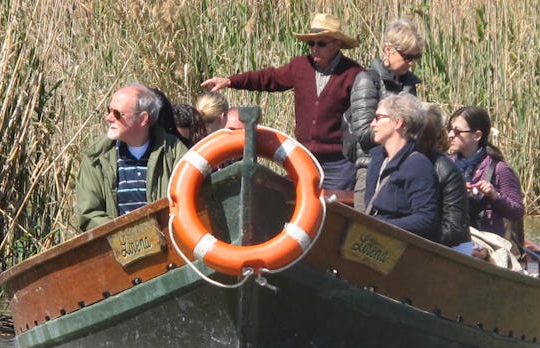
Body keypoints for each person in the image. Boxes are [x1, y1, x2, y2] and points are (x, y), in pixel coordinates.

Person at [201, 13, 364, 190]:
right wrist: (231, 81)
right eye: (311, 43)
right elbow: (268, 78)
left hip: (338, 164)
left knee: (338, 211)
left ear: (337, 44)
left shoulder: (354, 74)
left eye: (321, 43)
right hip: (304, 158)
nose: (314, 48)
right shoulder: (300, 66)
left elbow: (365, 117)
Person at [74, 84, 189, 232]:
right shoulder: (96, 159)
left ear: (142, 119)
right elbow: (88, 214)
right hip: (121, 248)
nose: (108, 118)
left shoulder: (175, 152)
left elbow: (190, 199)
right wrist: (130, 233)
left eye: (116, 114)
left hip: (169, 243)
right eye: (108, 111)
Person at [345, 17, 426, 211]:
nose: (411, 63)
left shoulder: (409, 85)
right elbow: (364, 134)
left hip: (404, 167)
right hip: (371, 167)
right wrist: (397, 132)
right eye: (407, 57)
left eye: (416, 58)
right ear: (389, 49)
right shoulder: (367, 80)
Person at [447, 106, 526, 247]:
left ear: (477, 136)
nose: (450, 135)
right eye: (450, 129)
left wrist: (495, 195)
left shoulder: (499, 169)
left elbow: (517, 212)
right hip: (454, 238)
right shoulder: (447, 164)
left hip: (490, 244)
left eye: (457, 131)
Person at [364, 93, 439, 241]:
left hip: (396, 247)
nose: (373, 124)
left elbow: (426, 218)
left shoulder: (418, 165)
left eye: (378, 117)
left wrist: (381, 224)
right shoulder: (377, 159)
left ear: (398, 122)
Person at [419, 103, 472, 254]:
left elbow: (454, 230)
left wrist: (416, 239)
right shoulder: (395, 160)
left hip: (450, 249)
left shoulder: (445, 169)